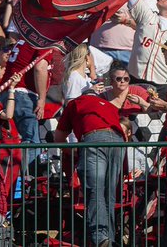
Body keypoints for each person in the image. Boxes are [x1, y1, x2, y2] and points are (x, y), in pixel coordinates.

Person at [53, 89, 125, 247]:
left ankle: (100, 238)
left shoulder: (76, 103)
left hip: (94, 139)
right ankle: (110, 239)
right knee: (109, 194)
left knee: (95, 190)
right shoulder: (108, 105)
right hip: (119, 142)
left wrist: (74, 153)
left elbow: (58, 138)